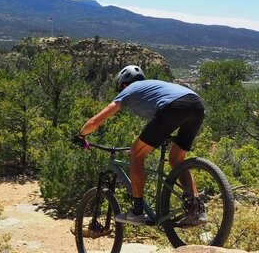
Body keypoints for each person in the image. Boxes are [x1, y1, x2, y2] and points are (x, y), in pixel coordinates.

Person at [74, 65, 207, 226]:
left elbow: (97, 120)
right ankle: (197, 209)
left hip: (173, 107)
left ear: (124, 84)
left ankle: (137, 211)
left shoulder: (131, 89)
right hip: (197, 105)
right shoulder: (153, 86)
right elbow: (163, 119)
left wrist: (81, 135)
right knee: (177, 161)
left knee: (136, 153)